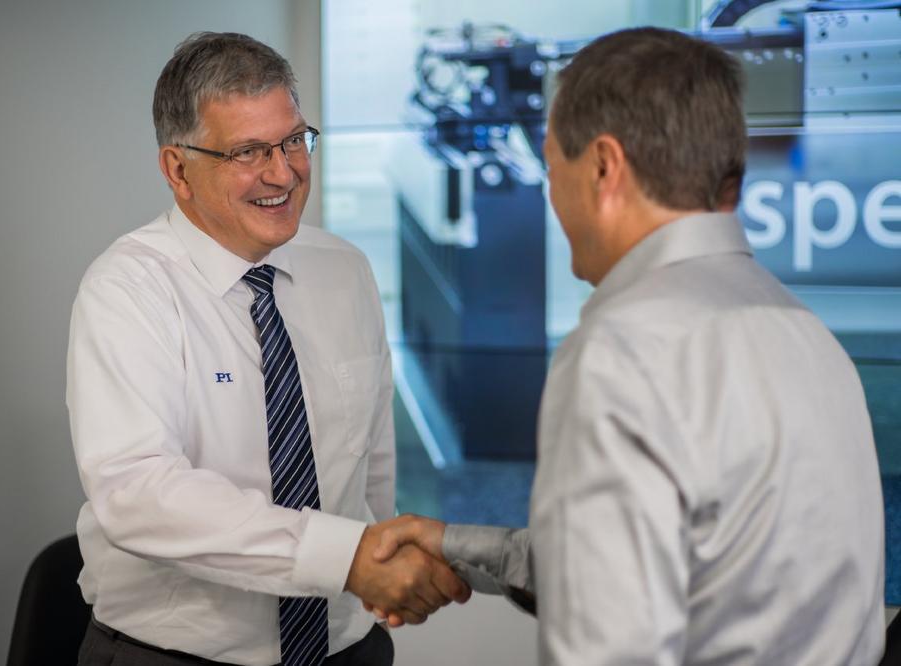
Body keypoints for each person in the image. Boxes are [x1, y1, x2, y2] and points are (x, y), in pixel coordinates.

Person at [371, 27, 886, 664]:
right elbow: (681, 559)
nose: (551, 194)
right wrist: (457, 546)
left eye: (552, 166)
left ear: (603, 167)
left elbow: (609, 644)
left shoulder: (622, 351)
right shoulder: (808, 336)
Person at [67, 32, 468, 666]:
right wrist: (344, 558)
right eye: (248, 152)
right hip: (176, 656)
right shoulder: (128, 289)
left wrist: (384, 558)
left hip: (345, 648)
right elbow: (138, 494)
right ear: (178, 170)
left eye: (293, 141)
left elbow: (372, 465)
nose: (283, 173)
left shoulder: (344, 269)